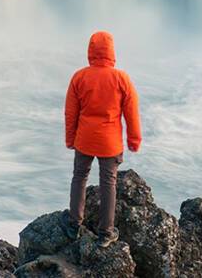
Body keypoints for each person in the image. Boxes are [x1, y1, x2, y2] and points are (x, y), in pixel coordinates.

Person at [64, 30, 141, 243]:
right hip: (110, 142)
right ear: (111, 52)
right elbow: (132, 113)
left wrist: (70, 139)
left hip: (85, 139)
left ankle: (73, 224)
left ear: (90, 51)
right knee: (108, 183)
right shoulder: (121, 79)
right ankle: (106, 233)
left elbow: (70, 113)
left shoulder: (79, 77)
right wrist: (134, 140)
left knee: (79, 177)